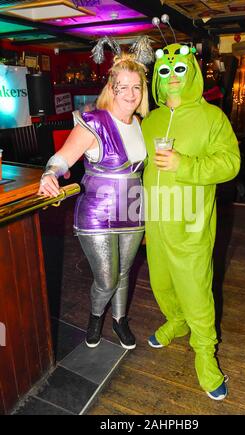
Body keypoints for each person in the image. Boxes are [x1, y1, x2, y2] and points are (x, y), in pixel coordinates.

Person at [142, 43, 240, 400]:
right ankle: (176, 320)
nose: (171, 78)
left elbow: (230, 163)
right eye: (164, 71)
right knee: (161, 283)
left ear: (193, 73)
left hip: (192, 227)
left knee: (197, 293)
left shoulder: (212, 117)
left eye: (179, 69)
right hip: (156, 223)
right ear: (156, 77)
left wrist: (185, 165)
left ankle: (205, 355)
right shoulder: (150, 120)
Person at [38, 53, 149, 350]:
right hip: (97, 214)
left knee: (125, 271)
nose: (130, 93)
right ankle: (96, 317)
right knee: (106, 279)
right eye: (123, 86)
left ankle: (120, 320)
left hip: (133, 209)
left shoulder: (139, 123)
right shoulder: (94, 122)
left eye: (136, 87)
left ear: (143, 91)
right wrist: (50, 173)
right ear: (111, 89)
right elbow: (63, 158)